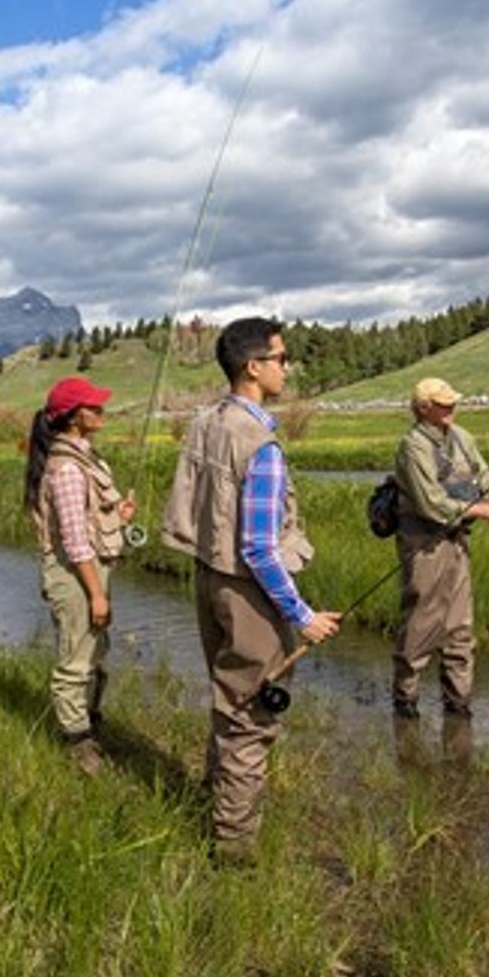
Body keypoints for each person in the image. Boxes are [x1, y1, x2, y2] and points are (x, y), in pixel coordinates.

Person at [162, 318, 340, 863]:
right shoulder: (259, 442)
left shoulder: (206, 420)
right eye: (281, 358)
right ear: (253, 367)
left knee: (230, 701)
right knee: (249, 720)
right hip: (247, 596)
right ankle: (234, 851)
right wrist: (303, 614)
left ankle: (217, 804)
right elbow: (260, 549)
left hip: (208, 582)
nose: (288, 368)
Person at [390, 376, 489, 720]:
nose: (452, 406)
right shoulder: (413, 447)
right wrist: (481, 510)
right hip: (423, 543)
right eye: (443, 402)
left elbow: (483, 478)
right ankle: (405, 700)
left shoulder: (461, 437)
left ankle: (458, 705)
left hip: (457, 540)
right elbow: (430, 503)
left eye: (452, 401)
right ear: (424, 408)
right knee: (423, 622)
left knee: (459, 626)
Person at [26, 374, 137, 775]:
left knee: (94, 653)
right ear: (73, 417)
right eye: (93, 406)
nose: (101, 410)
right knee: (75, 662)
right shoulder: (68, 470)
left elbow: (84, 522)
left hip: (86, 573)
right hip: (76, 576)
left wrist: (115, 515)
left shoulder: (82, 457)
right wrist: (98, 595)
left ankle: (89, 725)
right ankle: (79, 745)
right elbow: (74, 543)